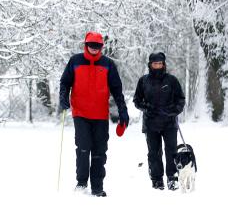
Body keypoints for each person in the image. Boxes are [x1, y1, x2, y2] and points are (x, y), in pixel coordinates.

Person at [58, 32, 129, 197]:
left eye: (97, 46)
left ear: (101, 47)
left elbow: (117, 89)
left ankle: (97, 186)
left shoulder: (108, 64)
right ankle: (82, 182)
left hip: (100, 114)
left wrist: (122, 110)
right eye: (91, 45)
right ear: (85, 44)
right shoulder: (75, 61)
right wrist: (63, 97)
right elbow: (65, 82)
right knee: (83, 148)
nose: (94, 49)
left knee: (99, 150)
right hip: (80, 112)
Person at [133, 51, 186, 190]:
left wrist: (173, 111)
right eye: (155, 63)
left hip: (169, 123)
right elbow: (137, 100)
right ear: (150, 64)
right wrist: (147, 108)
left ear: (164, 64)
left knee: (171, 151)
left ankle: (172, 178)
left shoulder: (171, 80)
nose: (157, 66)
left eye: (160, 63)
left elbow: (180, 99)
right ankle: (157, 180)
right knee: (154, 152)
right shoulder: (143, 81)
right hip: (151, 123)